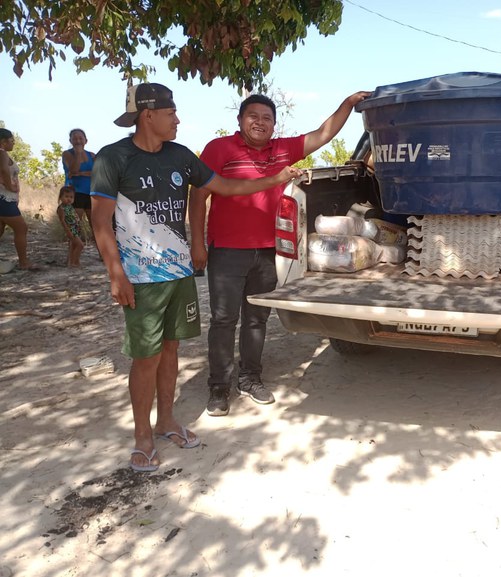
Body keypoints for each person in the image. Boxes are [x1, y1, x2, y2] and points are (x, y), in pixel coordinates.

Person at [91, 83, 304, 473]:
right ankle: (142, 436)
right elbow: (100, 220)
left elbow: (224, 186)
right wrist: (115, 272)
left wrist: (274, 181)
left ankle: (166, 420)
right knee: (145, 357)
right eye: (171, 113)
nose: (177, 119)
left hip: (178, 272)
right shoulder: (113, 157)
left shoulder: (180, 156)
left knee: (170, 350)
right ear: (148, 115)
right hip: (140, 276)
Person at [189, 90, 372, 417]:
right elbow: (198, 194)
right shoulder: (220, 149)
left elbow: (324, 134)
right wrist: (198, 244)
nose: (260, 122)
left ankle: (250, 378)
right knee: (223, 319)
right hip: (227, 251)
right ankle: (219, 386)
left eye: (267, 118)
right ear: (240, 120)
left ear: (274, 124)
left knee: (257, 319)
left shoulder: (282, 150)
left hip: (269, 251)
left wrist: (347, 103)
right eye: (253, 116)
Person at [0, 128, 31, 270]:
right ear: (3, 142)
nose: (14, 143)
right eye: (12, 141)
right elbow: (5, 170)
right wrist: (9, 186)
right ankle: (24, 263)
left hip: (5, 198)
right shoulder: (2, 153)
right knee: (21, 228)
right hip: (4, 198)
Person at [62, 128, 97, 234]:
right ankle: (74, 249)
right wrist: (78, 153)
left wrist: (81, 174)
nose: (78, 141)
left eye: (80, 138)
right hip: (75, 193)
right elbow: (73, 170)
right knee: (75, 227)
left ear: (86, 140)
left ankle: (100, 250)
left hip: (91, 193)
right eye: (75, 138)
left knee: (95, 226)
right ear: (70, 141)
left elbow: (96, 173)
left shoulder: (92, 155)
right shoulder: (67, 154)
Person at [56, 185, 84, 267]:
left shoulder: (70, 206)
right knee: (80, 245)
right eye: (66, 196)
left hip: (76, 228)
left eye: (71, 197)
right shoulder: (61, 208)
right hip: (71, 230)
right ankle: (75, 261)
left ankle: (71, 262)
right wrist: (68, 231)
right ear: (60, 197)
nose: (69, 199)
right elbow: (63, 221)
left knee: (73, 246)